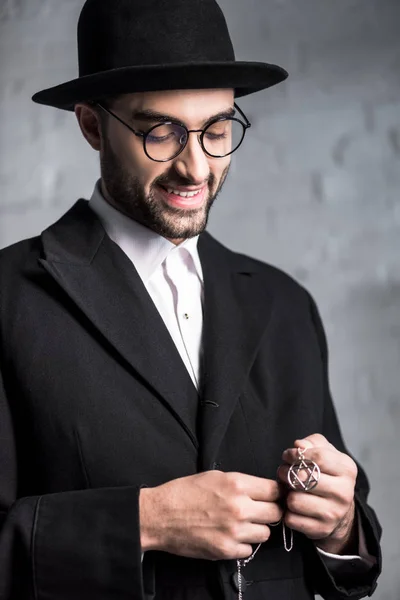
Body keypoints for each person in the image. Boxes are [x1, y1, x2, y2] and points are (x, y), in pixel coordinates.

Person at [0, 0, 382, 598]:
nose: (196, 166)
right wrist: (143, 522)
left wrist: (342, 528)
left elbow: (347, 557)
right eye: (161, 133)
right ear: (92, 125)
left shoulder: (286, 305)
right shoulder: (8, 298)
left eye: (219, 129)